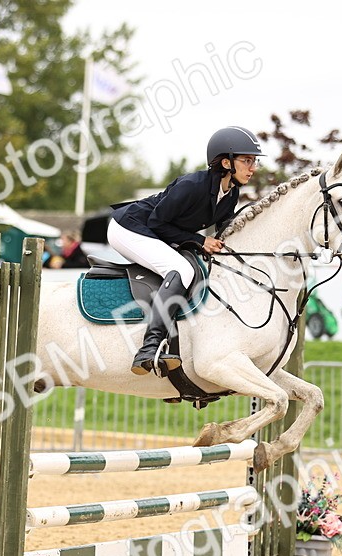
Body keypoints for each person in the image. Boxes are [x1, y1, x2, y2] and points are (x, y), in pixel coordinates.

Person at [108, 125, 263, 375]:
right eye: (247, 161)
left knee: (198, 269)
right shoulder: (192, 185)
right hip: (128, 228)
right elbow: (157, 223)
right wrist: (200, 241)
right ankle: (149, 347)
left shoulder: (232, 194)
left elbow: (223, 233)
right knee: (180, 269)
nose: (253, 168)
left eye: (254, 161)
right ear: (226, 163)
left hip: (155, 231)